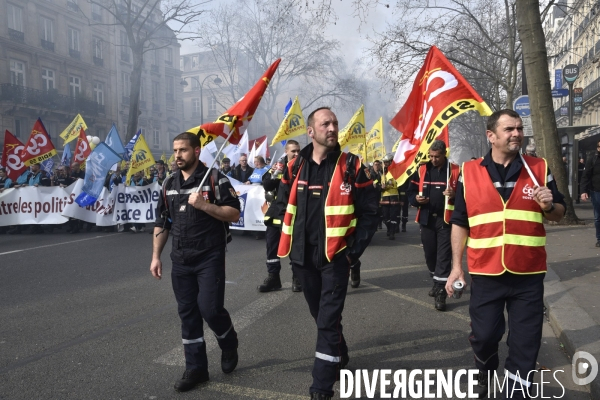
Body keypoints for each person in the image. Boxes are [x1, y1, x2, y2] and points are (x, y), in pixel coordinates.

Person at [446, 109, 565, 399]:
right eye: (509, 129)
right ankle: (485, 369)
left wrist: (549, 205)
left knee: (526, 343)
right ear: (491, 136)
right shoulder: (470, 172)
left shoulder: (538, 168)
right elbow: (460, 222)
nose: (517, 134)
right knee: (485, 336)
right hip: (486, 272)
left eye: (520, 128)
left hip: (528, 273)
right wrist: (456, 268)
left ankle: (516, 392)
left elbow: (559, 214)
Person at [276, 107, 378, 400]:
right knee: (319, 315)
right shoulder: (295, 166)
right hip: (302, 260)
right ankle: (339, 352)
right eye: (326, 124)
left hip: (336, 258)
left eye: (335, 123)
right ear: (311, 131)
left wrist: (352, 254)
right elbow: (283, 207)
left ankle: (321, 387)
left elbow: (370, 213)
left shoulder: (352, 166)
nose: (333, 128)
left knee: (326, 321)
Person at [150, 132, 240, 393]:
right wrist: (156, 256)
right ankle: (196, 369)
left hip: (209, 256)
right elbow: (162, 222)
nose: (177, 155)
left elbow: (234, 213)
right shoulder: (169, 183)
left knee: (210, 309)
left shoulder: (214, 179)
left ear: (197, 151)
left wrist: (204, 205)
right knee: (188, 315)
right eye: (175, 150)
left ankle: (228, 342)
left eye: (183, 150)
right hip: (180, 259)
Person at [407, 140, 459, 311]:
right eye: (431, 156)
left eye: (437, 156)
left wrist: (455, 193)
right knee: (430, 255)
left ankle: (441, 293)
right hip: (426, 219)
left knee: (444, 256)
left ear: (445, 154)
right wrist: (416, 199)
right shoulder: (422, 170)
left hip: (445, 220)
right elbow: (411, 192)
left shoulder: (455, 171)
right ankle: (437, 281)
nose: (433, 159)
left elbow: (466, 194)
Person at [258, 140, 302, 293]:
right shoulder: (278, 166)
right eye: (293, 151)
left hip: (296, 212)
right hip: (276, 212)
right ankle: (273, 278)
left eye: (298, 151)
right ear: (286, 151)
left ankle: (297, 277)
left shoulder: (303, 166)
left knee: (295, 246)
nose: (296, 154)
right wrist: (277, 173)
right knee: (272, 246)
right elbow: (267, 185)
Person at [580, 141, 600, 246]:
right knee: (598, 217)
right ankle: (599, 238)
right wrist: (583, 191)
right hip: (596, 191)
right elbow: (586, 175)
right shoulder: (593, 159)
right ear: (597, 148)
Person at [380, 153, 400, 240]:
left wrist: (387, 185)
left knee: (393, 216)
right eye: (384, 162)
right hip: (384, 196)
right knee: (385, 216)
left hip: (393, 196)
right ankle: (389, 228)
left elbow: (397, 183)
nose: (385, 163)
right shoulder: (383, 171)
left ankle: (392, 232)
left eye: (387, 162)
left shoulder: (396, 171)